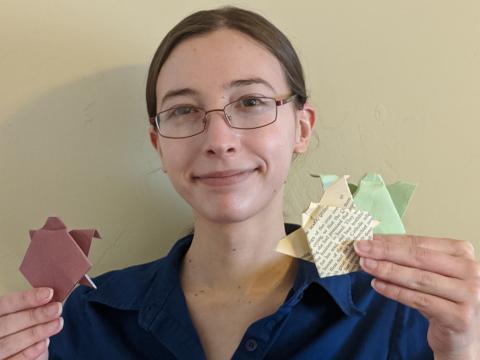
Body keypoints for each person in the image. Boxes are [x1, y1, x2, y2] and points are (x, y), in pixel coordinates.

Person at [0, 6, 478, 360]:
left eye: (250, 101)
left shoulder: (405, 313)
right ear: (157, 143)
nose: (220, 140)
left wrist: (463, 349)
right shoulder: (73, 321)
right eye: (184, 111)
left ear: (302, 128)